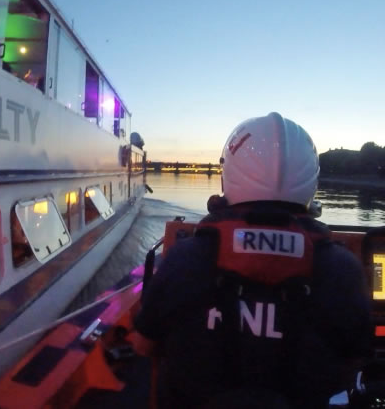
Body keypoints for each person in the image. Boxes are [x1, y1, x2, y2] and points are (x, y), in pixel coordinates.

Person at [131, 112, 371, 409]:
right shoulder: (343, 269)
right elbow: (353, 363)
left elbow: (143, 346)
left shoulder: (184, 258)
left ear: (227, 175)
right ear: (312, 181)